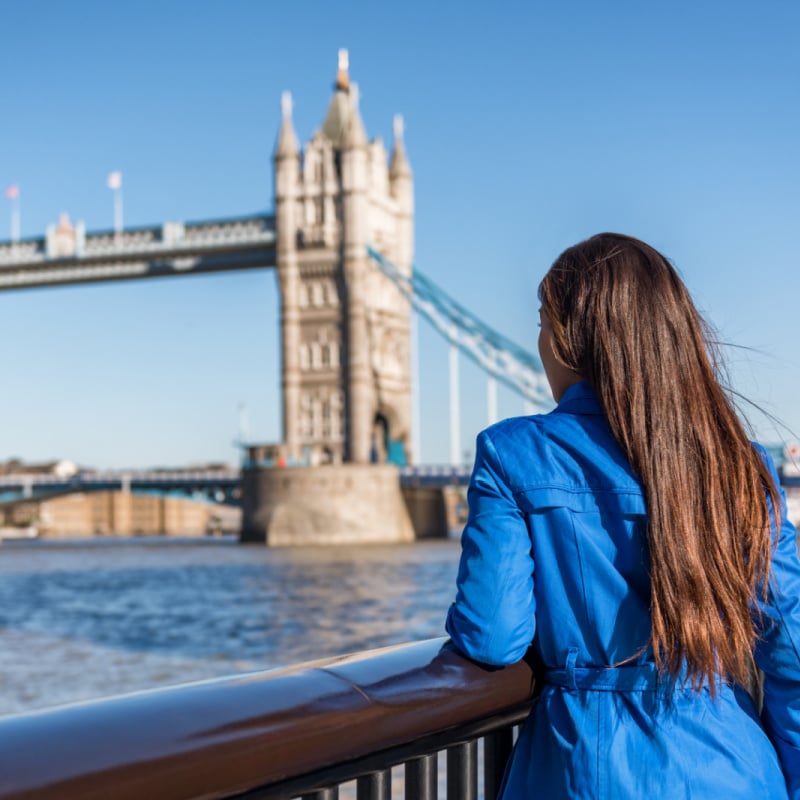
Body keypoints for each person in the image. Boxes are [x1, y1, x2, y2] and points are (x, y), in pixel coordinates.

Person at [445, 233, 800, 798]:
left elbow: (491, 636)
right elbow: (792, 646)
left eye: (542, 321)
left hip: (581, 774)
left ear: (567, 338)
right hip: (736, 772)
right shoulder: (741, 465)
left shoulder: (511, 454)